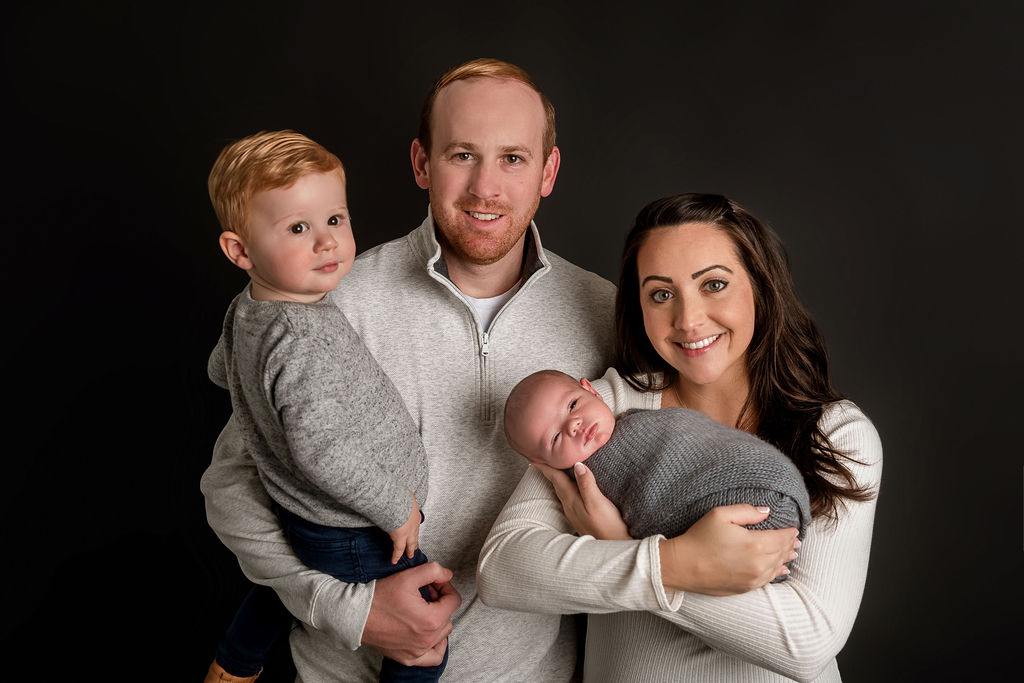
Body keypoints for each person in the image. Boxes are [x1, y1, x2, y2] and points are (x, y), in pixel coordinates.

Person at [201, 60, 797, 682]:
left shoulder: (608, 313)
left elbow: (689, 441)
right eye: (462, 155)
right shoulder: (327, 303)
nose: (486, 187)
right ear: (422, 163)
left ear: (548, 172)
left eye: (513, 158)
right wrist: (348, 609)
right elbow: (232, 488)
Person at [478, 193, 882, 682]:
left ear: (760, 287)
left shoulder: (837, 434)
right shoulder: (605, 407)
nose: (688, 320)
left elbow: (807, 642)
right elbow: (503, 569)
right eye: (661, 294)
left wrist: (619, 542)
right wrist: (669, 564)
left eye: (714, 284)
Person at [203, 130, 446, 682]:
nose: (327, 242)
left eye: (335, 219)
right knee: (426, 637)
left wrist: (259, 392)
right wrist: (397, 508)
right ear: (240, 251)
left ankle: (233, 665)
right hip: (354, 525)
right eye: (298, 228)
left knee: (283, 590)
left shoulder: (249, 309)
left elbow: (221, 370)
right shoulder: (300, 337)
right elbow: (321, 451)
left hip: (308, 517)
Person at [502, 369, 810, 572]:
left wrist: (619, 544)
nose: (574, 425)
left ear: (592, 391)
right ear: (545, 464)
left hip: (763, 478)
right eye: (556, 438)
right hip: (731, 527)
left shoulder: (637, 416)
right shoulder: (586, 484)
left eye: (572, 406)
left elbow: (701, 440)